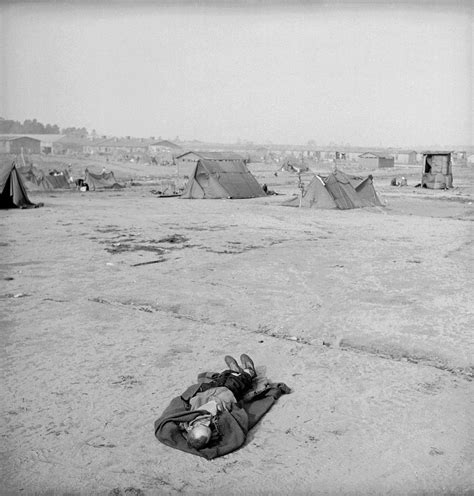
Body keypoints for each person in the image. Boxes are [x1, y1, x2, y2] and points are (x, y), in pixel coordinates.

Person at [181, 354, 256, 450]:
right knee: (235, 385)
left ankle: (233, 371)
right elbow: (227, 421)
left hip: (208, 395)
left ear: (191, 428)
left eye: (201, 425)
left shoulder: (188, 422)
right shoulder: (214, 427)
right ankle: (249, 372)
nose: (206, 423)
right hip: (224, 399)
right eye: (207, 427)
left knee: (220, 381)